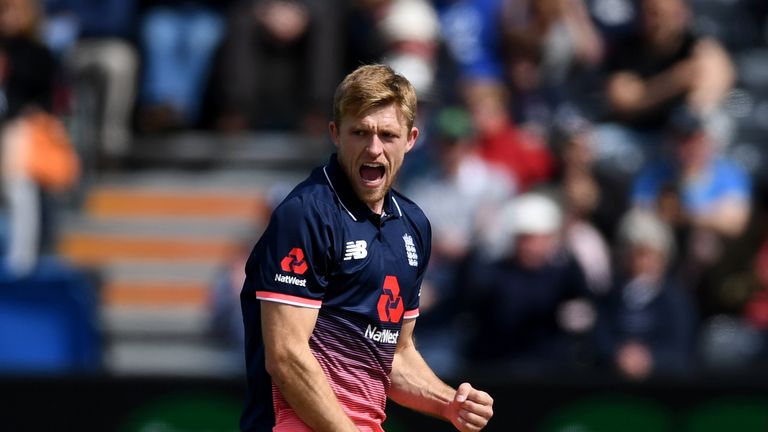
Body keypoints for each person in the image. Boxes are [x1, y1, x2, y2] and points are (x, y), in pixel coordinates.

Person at [239, 64, 494, 431]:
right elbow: (286, 356)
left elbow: (396, 354)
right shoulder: (306, 214)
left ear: (411, 139)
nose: (374, 148)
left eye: (388, 135)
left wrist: (449, 403)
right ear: (335, 134)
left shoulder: (413, 224)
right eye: (360, 133)